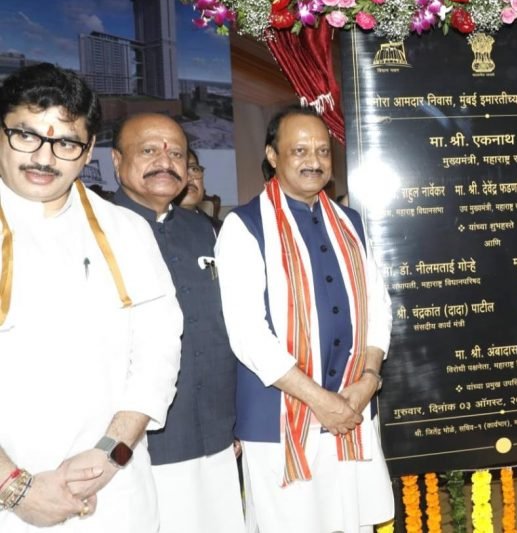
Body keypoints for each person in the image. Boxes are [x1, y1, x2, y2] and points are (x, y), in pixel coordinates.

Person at [0, 63, 182, 531]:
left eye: (66, 143)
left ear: (88, 151)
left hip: (114, 490)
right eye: (27, 135)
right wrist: (14, 488)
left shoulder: (127, 230)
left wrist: (111, 452)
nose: (44, 158)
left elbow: (158, 353)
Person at [215, 105, 393, 533]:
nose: (314, 161)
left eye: (322, 151)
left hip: (351, 410)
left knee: (354, 524)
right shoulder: (244, 226)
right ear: (272, 156)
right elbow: (248, 334)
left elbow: (379, 305)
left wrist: (369, 380)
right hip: (279, 419)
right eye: (299, 150)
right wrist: (320, 400)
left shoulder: (350, 222)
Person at [110, 114, 243, 533]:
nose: (165, 162)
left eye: (177, 154)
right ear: (117, 161)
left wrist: (235, 421)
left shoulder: (204, 230)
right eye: (149, 150)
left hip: (218, 436)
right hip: (140, 447)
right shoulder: (98, 232)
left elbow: (227, 327)